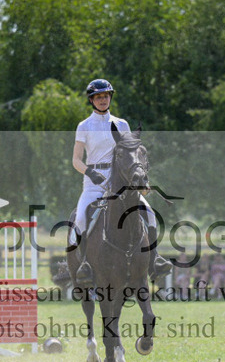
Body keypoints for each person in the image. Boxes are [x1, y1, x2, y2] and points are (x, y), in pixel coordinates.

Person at [70, 78, 172, 284]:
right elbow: (75, 160)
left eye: (105, 96)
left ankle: (155, 259)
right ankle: (84, 265)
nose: (102, 100)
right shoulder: (84, 126)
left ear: (110, 98)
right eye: (98, 97)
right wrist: (90, 172)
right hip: (94, 184)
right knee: (80, 219)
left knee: (150, 214)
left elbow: (132, 154)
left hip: (122, 181)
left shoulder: (122, 124)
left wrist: (140, 179)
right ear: (91, 100)